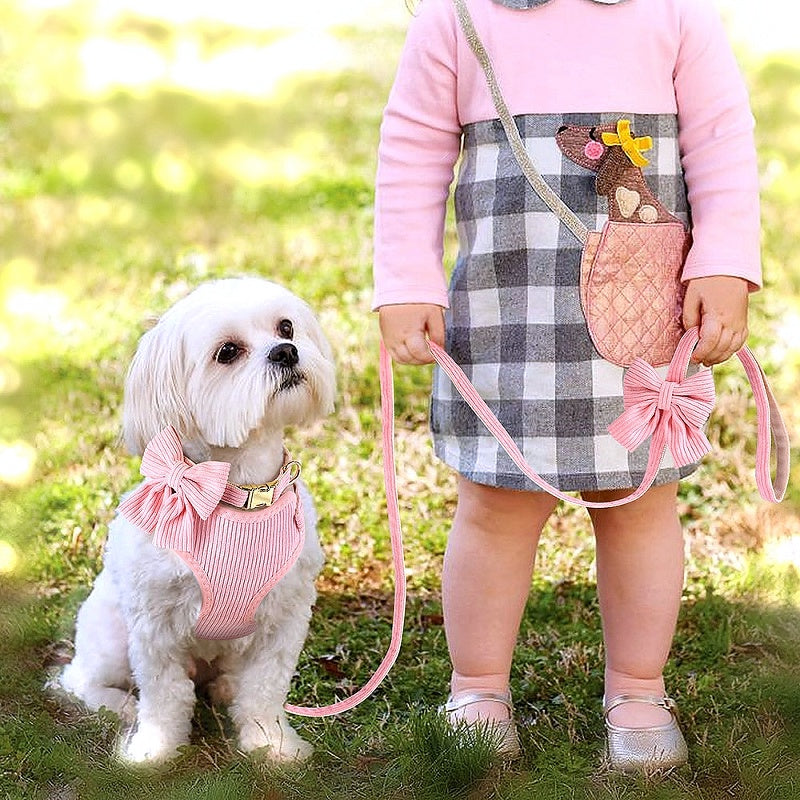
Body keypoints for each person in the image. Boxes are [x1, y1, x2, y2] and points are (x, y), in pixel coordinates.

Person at [372, 0, 760, 771]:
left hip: (641, 315)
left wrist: (723, 261)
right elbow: (411, 148)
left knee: (641, 504)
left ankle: (638, 687)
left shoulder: (677, 12)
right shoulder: (458, 17)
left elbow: (722, 138)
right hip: (505, 306)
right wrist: (407, 277)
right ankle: (477, 685)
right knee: (495, 504)